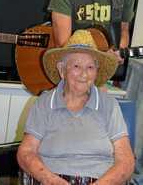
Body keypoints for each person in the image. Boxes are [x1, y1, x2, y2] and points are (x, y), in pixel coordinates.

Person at [17, 30, 134, 185]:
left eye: (90, 67)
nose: (84, 74)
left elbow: (126, 160)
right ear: (62, 70)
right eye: (77, 66)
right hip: (51, 180)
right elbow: (26, 153)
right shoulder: (44, 103)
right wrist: (51, 180)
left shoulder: (109, 105)